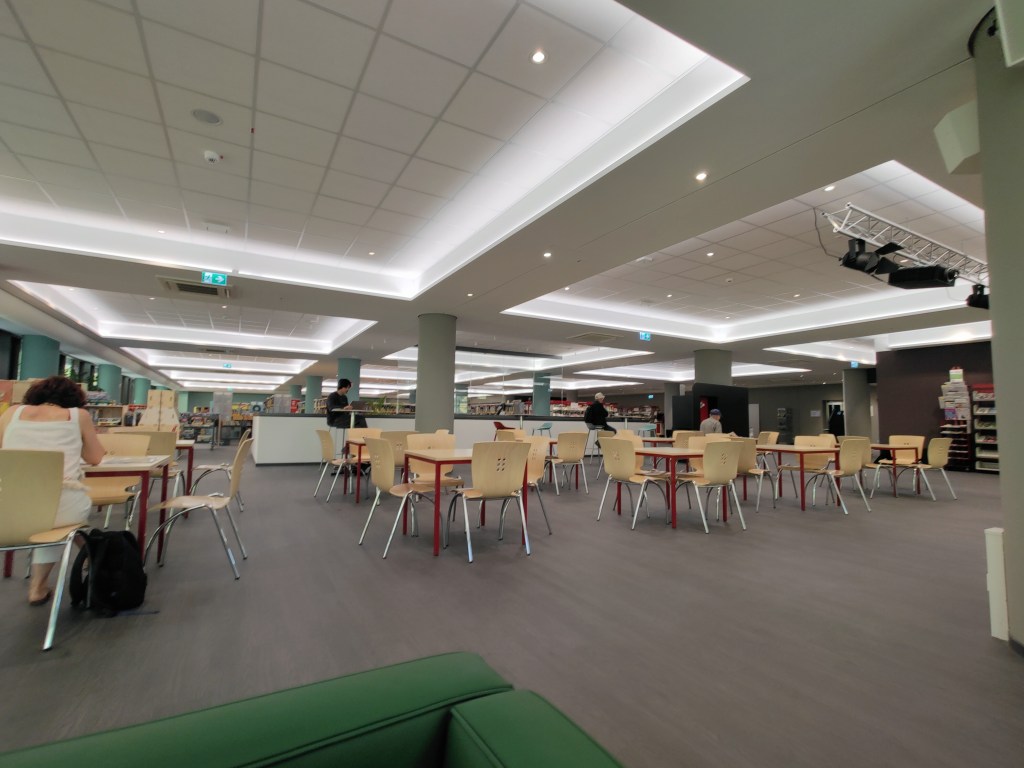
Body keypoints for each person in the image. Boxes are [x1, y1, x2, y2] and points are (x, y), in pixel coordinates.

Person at [0, 375, 104, 605]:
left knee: (45, 516)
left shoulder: (11, 413)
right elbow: (95, 458)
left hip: (9, 509)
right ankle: (41, 584)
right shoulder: (78, 416)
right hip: (61, 506)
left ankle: (88, 555)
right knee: (58, 519)